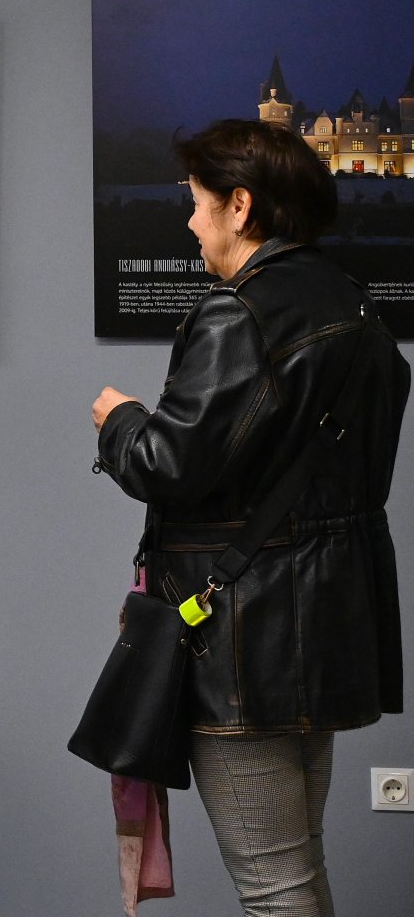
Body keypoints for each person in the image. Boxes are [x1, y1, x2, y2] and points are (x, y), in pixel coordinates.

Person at [91, 119, 407, 917]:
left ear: (240, 206)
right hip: (327, 625)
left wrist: (121, 419)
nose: (189, 222)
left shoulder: (241, 313)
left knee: (276, 886)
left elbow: (169, 464)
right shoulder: (354, 305)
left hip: (244, 643)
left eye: (196, 204)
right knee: (298, 868)